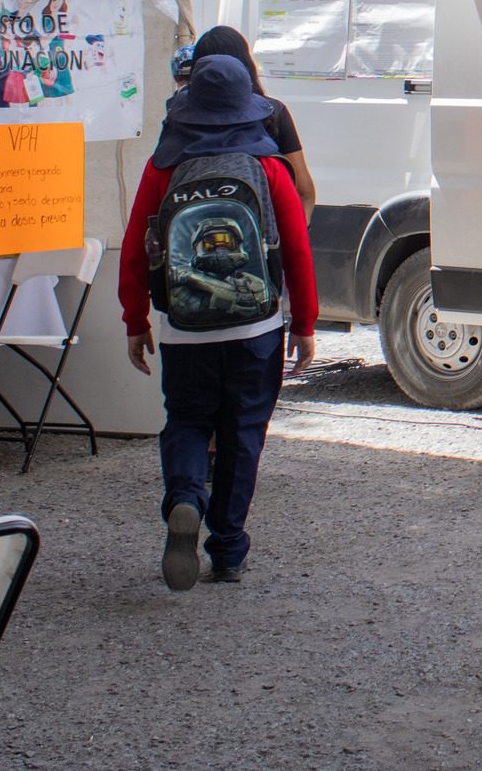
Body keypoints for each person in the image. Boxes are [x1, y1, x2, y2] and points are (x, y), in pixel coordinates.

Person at [118, 56, 319, 589]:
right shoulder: (269, 168)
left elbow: (137, 250)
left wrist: (134, 318)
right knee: (242, 433)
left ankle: (186, 497)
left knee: (186, 419)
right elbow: (296, 250)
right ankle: (227, 549)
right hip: (256, 327)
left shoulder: (163, 168)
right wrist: (305, 324)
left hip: (184, 327)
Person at [160, 26, 318, 219]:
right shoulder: (272, 113)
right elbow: (303, 191)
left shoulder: (178, 114)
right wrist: (292, 237)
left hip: (189, 232)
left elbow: (160, 179)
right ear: (246, 64)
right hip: (262, 237)